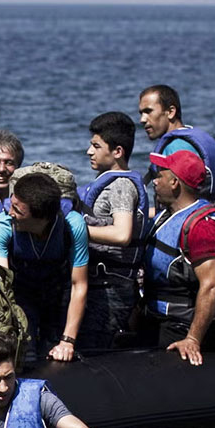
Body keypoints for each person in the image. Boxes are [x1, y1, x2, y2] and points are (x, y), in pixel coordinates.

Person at [0, 172, 89, 362]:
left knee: (61, 355)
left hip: (58, 293)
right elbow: (1, 289)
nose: (11, 212)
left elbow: (79, 285)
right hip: (21, 294)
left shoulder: (73, 225)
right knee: (26, 356)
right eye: (12, 204)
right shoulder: (2, 225)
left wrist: (68, 341)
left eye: (18, 210)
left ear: (42, 217)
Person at [142, 150, 215, 365]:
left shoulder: (202, 226)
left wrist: (192, 339)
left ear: (174, 182)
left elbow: (211, 286)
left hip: (180, 325)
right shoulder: (165, 215)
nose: (154, 181)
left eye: (159, 175)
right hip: (155, 318)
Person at [78, 111, 147, 349]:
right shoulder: (109, 181)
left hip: (111, 288)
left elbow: (122, 234)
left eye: (96, 146)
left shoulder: (121, 186)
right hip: (100, 285)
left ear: (117, 151)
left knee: (94, 347)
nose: (89, 151)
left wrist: (77, 231)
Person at [137, 84, 215, 201]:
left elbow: (178, 203)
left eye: (148, 111)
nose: (142, 120)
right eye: (141, 113)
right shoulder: (190, 137)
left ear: (170, 112)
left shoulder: (175, 149)